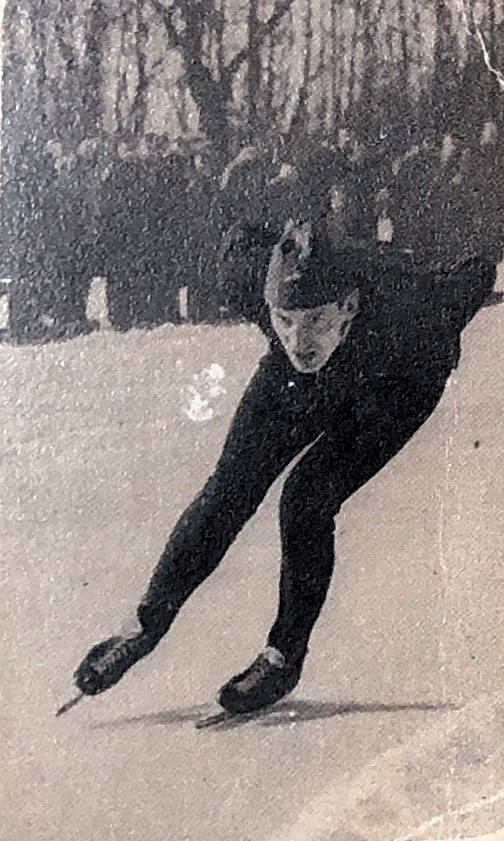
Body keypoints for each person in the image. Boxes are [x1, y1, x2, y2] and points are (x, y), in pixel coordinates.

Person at [73, 197, 495, 715]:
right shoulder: (251, 279)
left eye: (316, 320)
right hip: (300, 386)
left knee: (306, 499)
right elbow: (242, 235)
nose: (301, 338)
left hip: (394, 384)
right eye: (285, 320)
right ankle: (143, 626)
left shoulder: (412, 306)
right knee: (229, 491)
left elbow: (475, 274)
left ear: (348, 306)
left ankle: (282, 656)